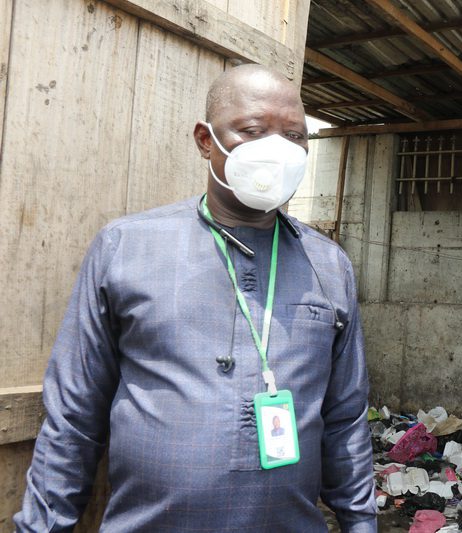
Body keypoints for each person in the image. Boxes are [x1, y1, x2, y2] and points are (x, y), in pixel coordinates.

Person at [15, 64, 377, 532]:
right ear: (206, 140)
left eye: (294, 136)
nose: (278, 150)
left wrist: (362, 525)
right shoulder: (126, 247)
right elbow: (73, 418)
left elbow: (346, 420)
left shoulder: (328, 266)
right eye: (253, 130)